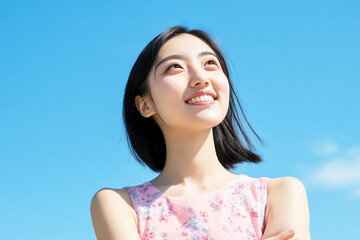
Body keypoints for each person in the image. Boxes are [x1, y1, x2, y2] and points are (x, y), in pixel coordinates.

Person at [90, 26, 311, 240]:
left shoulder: (281, 194)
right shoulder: (120, 205)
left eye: (210, 63)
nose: (201, 77)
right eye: (175, 67)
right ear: (145, 104)